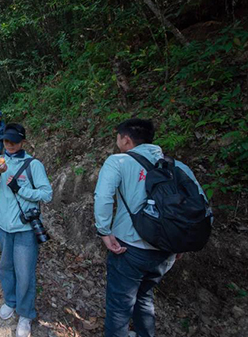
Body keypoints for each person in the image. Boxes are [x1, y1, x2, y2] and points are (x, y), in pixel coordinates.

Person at [94, 119, 207, 337]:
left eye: (118, 136)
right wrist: (180, 241)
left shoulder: (118, 161)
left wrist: (104, 231)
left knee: (120, 306)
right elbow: (198, 205)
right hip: (165, 253)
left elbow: (103, 197)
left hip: (129, 248)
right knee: (144, 299)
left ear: (126, 139)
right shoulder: (178, 166)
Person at [0, 123, 52, 337]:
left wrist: (21, 189)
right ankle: (10, 301)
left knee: (25, 273)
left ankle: (25, 314)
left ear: (23, 141)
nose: (9, 145)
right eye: (6, 141)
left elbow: (46, 194)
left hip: (24, 229)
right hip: (3, 226)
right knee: (6, 267)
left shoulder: (34, 165)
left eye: (14, 141)